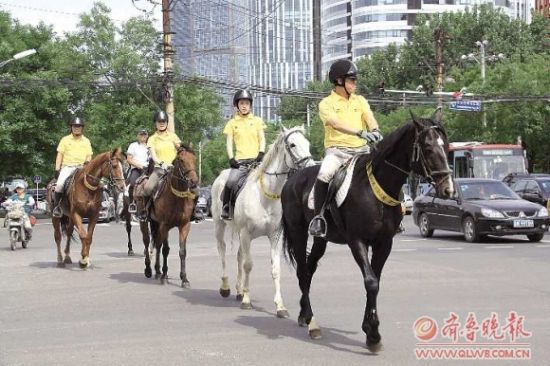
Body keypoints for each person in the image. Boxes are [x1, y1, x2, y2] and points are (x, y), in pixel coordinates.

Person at [308, 59, 383, 237]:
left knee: (386, 168)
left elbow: (369, 117)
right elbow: (334, 123)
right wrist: (360, 132)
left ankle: (396, 212)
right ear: (339, 81)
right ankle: (319, 218)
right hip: (338, 151)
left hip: (362, 151)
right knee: (324, 174)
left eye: (355, 80)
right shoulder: (326, 103)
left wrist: (375, 130)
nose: (355, 83)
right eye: (351, 80)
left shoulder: (360, 100)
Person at [140, 110, 202, 221]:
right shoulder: (152, 139)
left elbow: (180, 148)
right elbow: (153, 155)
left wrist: (185, 149)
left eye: (164, 121)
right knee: (148, 188)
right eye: (159, 121)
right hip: (160, 169)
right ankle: (145, 211)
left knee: (195, 188)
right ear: (155, 123)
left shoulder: (173, 136)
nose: (161, 123)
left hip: (175, 169)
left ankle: (194, 210)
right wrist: (161, 163)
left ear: (167, 122)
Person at [220, 89, 266, 220]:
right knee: (230, 182)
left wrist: (261, 153)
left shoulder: (257, 121)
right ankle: (226, 208)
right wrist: (231, 159)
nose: (244, 106)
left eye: (246, 103)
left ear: (250, 105)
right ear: (237, 105)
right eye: (241, 103)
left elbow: (262, 138)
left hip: (257, 161)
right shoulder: (232, 123)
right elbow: (229, 143)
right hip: (240, 162)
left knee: (273, 179)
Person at [52, 116, 93, 218]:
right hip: (68, 167)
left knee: (96, 183)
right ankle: (57, 207)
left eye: (78, 126)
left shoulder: (86, 141)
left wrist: (87, 163)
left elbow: (89, 155)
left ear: (82, 128)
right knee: (59, 185)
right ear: (71, 127)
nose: (76, 128)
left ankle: (94, 205)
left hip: (82, 167)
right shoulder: (65, 140)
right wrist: (57, 169)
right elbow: (60, 155)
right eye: (74, 126)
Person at [126, 128, 150, 212]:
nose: (143, 136)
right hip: (136, 168)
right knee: (133, 183)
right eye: (141, 135)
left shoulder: (150, 146)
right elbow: (129, 159)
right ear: (138, 136)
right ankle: (132, 203)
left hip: (148, 169)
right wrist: (138, 165)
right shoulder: (133, 145)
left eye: (144, 135)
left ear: (147, 136)